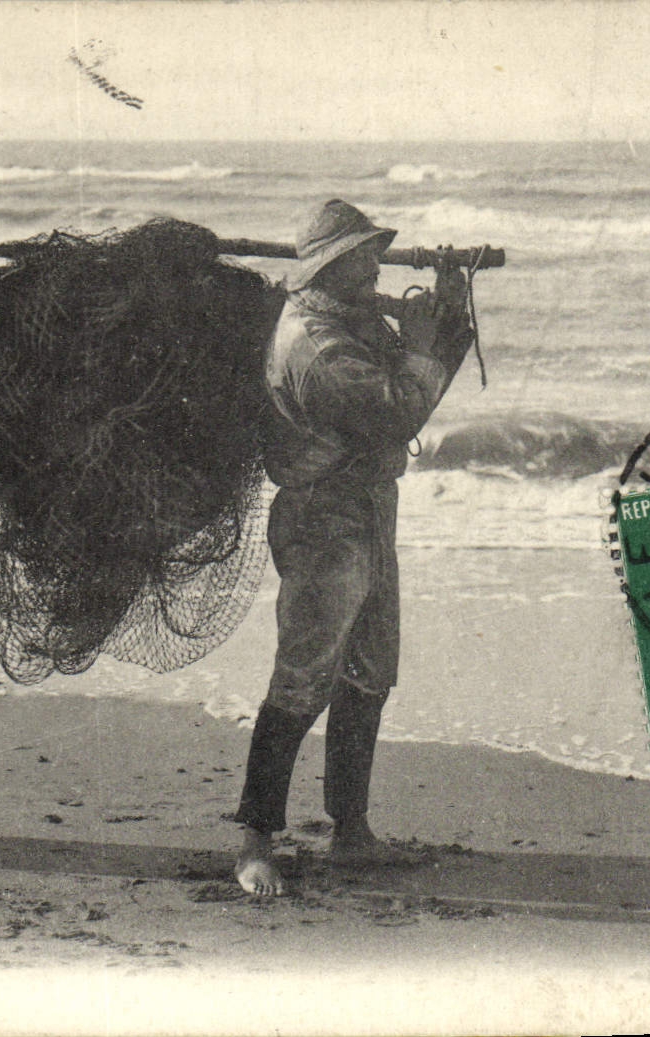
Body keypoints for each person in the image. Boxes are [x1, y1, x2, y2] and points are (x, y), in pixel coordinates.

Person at [234, 198, 474, 895]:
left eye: (376, 252)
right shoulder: (312, 343)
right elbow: (400, 409)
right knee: (304, 672)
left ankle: (351, 829)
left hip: (366, 507)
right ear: (332, 267)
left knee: (371, 666)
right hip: (322, 517)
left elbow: (415, 374)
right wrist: (429, 340)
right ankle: (253, 836)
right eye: (364, 256)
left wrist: (447, 306)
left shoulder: (348, 320)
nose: (376, 266)